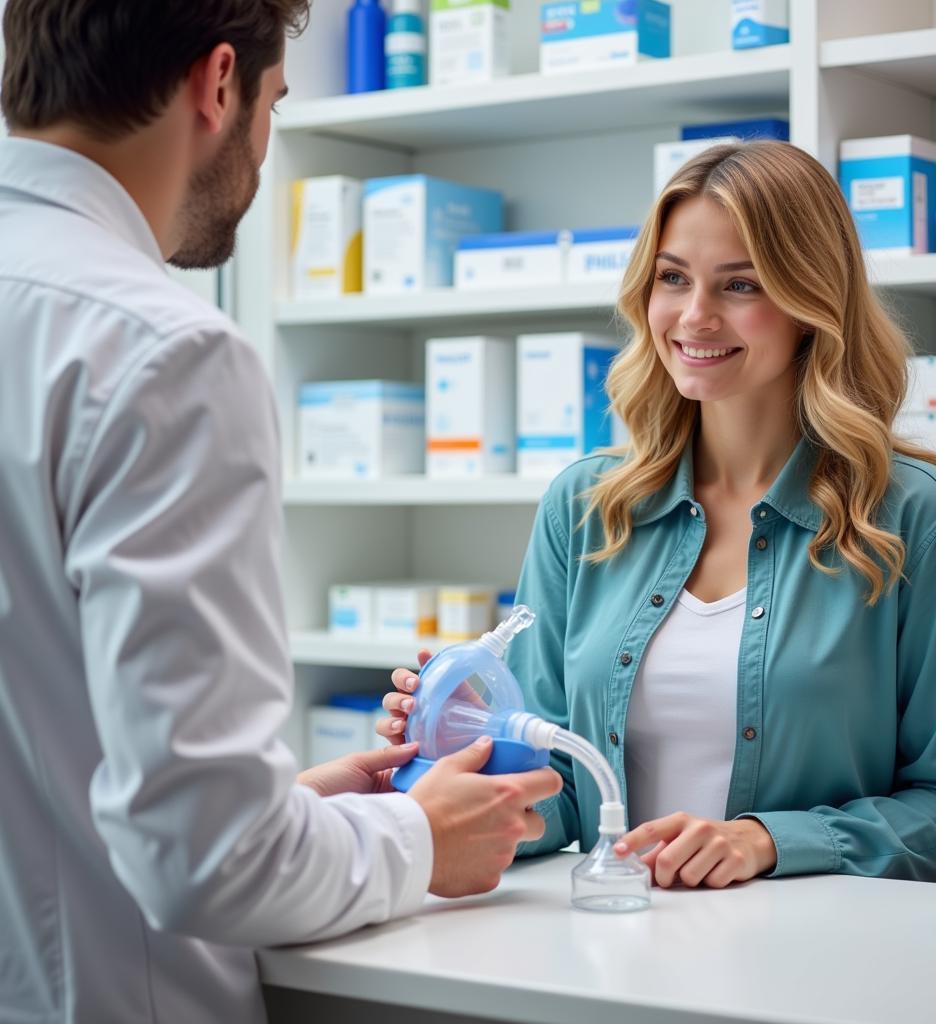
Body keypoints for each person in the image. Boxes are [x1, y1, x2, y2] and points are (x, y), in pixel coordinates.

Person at [0, 4, 560, 1022]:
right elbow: (209, 866)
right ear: (220, 85)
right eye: (275, 104)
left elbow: (46, 739)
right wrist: (418, 838)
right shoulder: (157, 349)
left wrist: (284, 808)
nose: (265, 149)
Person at [381, 141, 936, 890]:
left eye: (740, 284)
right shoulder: (586, 509)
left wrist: (769, 841)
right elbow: (557, 792)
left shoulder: (909, 519)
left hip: (814, 968)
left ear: (813, 303)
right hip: (608, 946)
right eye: (672, 278)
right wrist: (445, 762)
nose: (695, 316)